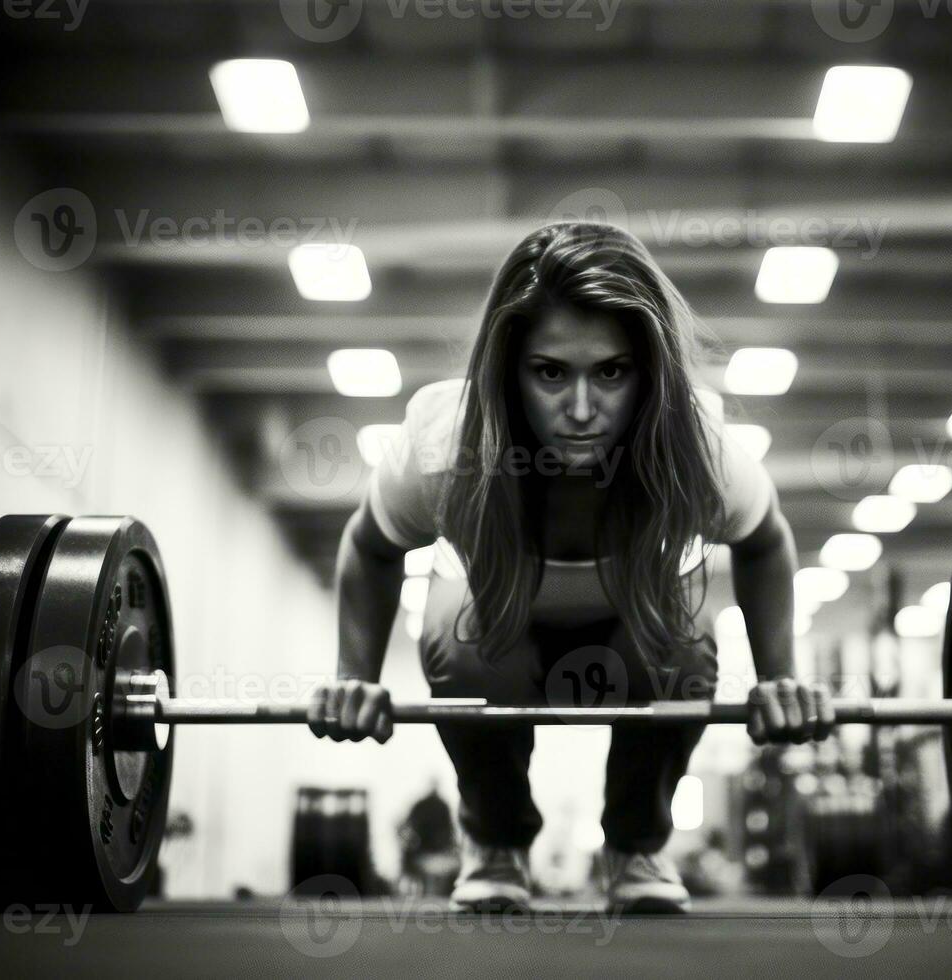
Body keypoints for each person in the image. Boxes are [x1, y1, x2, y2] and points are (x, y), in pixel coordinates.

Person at [310, 222, 834, 913]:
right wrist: (355, 678)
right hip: (492, 622)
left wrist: (779, 681)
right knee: (460, 644)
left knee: (685, 648)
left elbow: (765, 540)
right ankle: (494, 841)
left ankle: (636, 846)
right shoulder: (446, 446)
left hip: (638, 621)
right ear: (511, 368)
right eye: (550, 372)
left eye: (610, 372)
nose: (582, 410)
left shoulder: (694, 447)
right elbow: (370, 546)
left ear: (646, 371)